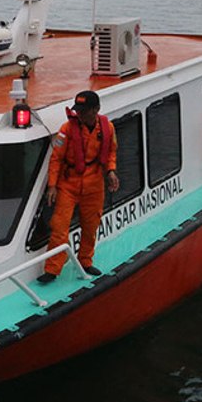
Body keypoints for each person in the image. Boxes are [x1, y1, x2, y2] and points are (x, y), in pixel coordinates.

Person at [38, 90, 119, 284]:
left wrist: (111, 171)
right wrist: (52, 186)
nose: (80, 115)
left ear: (96, 110)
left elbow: (111, 153)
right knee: (59, 226)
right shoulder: (66, 130)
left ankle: (85, 261)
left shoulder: (108, 128)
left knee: (91, 227)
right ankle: (53, 269)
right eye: (78, 111)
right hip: (69, 184)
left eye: (84, 111)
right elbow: (56, 158)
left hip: (94, 185)